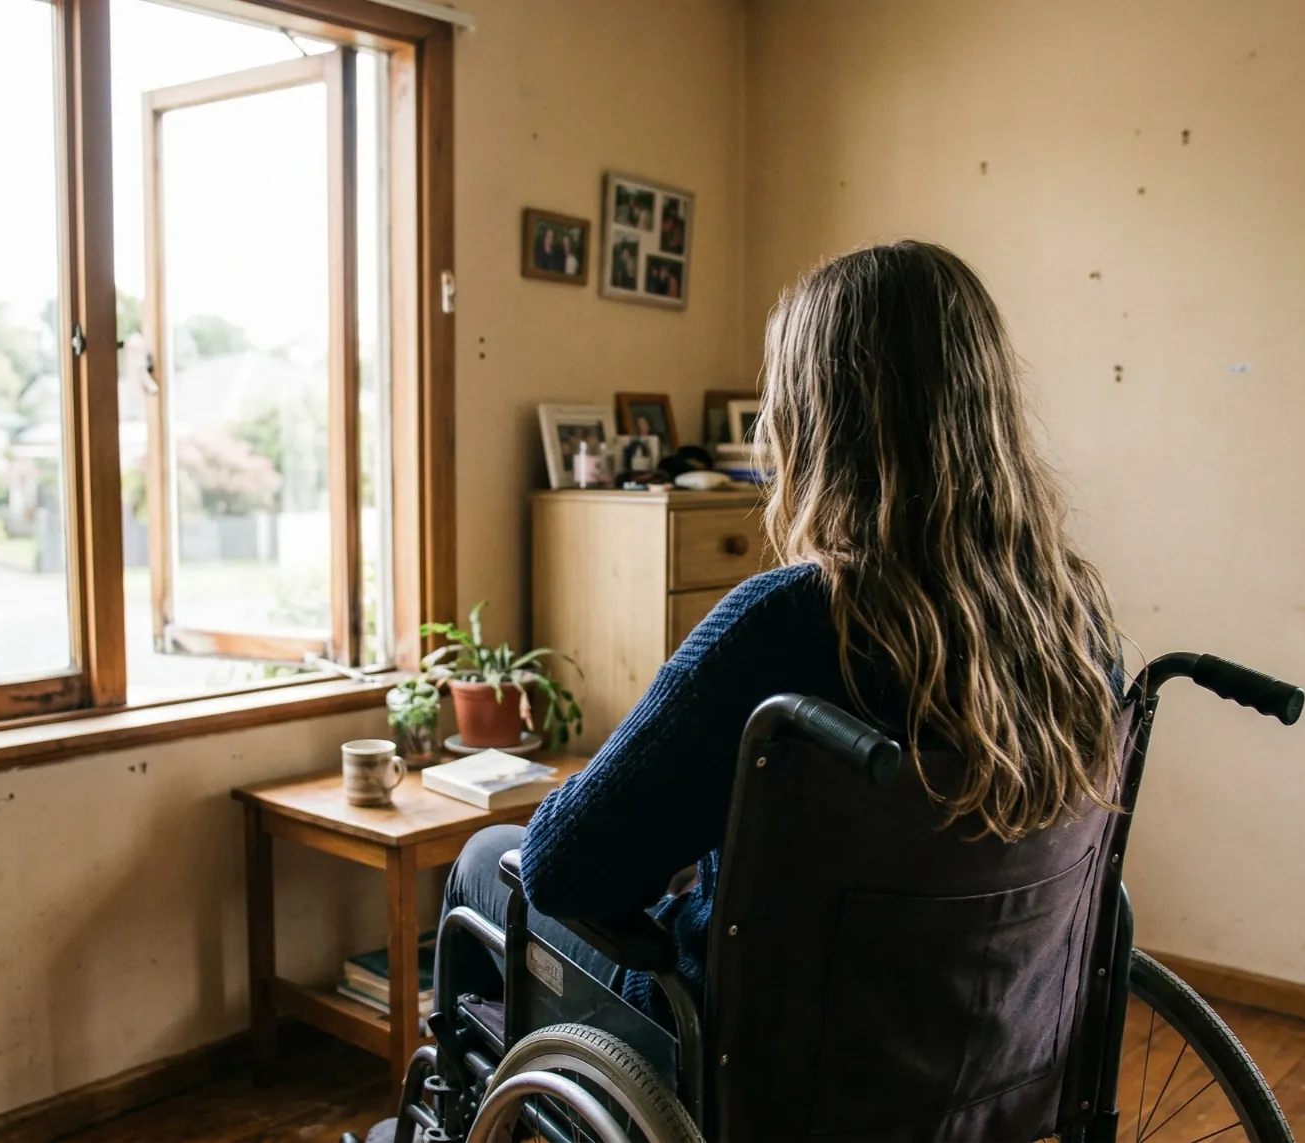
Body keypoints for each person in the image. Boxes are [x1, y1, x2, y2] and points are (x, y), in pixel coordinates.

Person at [439, 240, 1126, 1032]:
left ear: (815, 422)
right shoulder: (1073, 622)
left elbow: (564, 870)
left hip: (756, 1056)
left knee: (490, 861)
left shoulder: (792, 622)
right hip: (977, 1042)